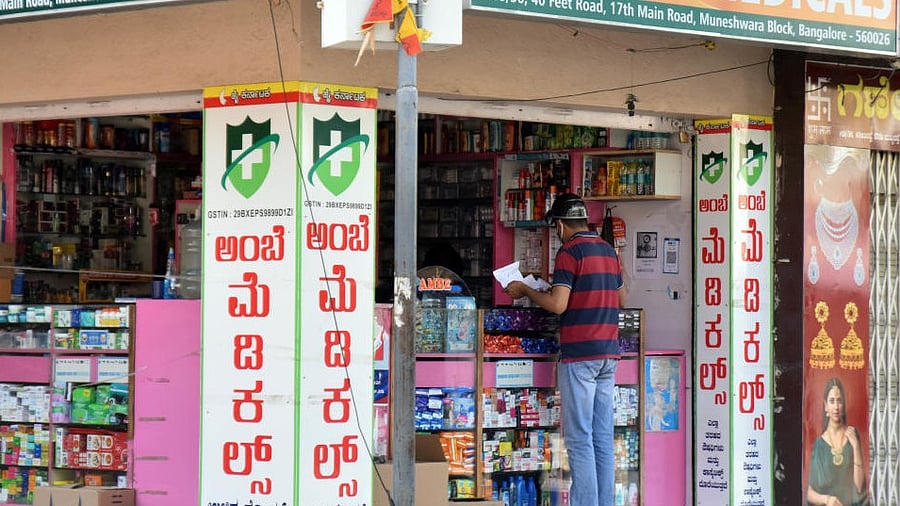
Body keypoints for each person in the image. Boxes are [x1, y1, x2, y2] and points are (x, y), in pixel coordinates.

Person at [504, 193, 626, 506]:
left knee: (578, 438)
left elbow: (559, 305)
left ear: (559, 225)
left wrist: (527, 290)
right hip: (609, 353)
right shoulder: (608, 251)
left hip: (580, 355)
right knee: (601, 437)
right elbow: (622, 299)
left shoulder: (570, 252)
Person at [807, 377, 868, 506]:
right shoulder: (819, 445)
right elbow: (810, 494)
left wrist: (856, 447)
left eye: (839, 401)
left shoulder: (852, 435)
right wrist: (827, 500)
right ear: (825, 406)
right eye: (832, 401)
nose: (836, 406)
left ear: (843, 404)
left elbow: (859, 488)